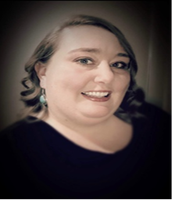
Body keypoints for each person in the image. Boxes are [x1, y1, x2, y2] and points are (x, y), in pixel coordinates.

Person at [0, 14, 172, 200]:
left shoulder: (157, 123)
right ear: (43, 73)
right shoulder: (11, 154)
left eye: (119, 64)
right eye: (85, 60)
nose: (107, 76)